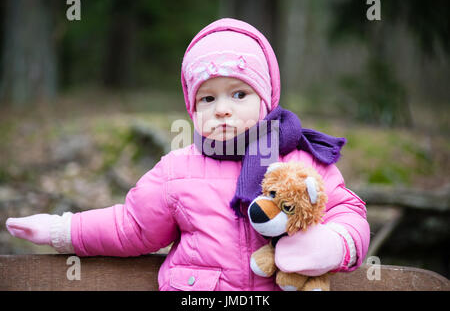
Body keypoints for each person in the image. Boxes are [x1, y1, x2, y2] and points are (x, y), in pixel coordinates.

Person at [5, 18, 370, 291]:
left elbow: (347, 211)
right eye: (208, 98)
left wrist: (333, 243)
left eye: (239, 94)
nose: (222, 109)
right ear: (192, 108)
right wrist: (61, 229)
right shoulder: (177, 171)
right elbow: (130, 226)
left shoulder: (301, 160)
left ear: (267, 97)